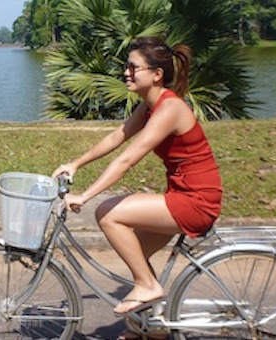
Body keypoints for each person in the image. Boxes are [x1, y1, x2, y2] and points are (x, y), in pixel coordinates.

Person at [52, 37, 223, 319]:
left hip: (195, 201)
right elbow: (117, 136)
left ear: (157, 75)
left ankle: (148, 287)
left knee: (107, 213)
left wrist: (85, 196)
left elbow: (127, 160)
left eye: (133, 68)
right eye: (126, 66)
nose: (125, 73)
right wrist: (75, 163)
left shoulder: (170, 109)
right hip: (180, 195)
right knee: (136, 256)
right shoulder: (150, 105)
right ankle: (152, 327)